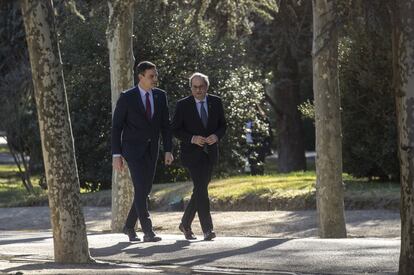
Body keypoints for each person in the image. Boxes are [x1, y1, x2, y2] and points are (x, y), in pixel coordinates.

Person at [111, 61, 173, 242]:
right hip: (132, 150)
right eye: (151, 76)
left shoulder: (161, 96)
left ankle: (129, 226)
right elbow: (116, 127)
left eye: (156, 75)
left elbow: (165, 126)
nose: (155, 79)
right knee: (140, 188)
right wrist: (117, 154)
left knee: (143, 190)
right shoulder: (127, 97)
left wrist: (168, 149)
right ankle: (148, 231)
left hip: (152, 150)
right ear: (141, 77)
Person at [171, 72, 226, 241]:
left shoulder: (216, 102)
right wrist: (192, 138)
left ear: (206, 87)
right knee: (201, 189)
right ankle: (207, 229)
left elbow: (223, 125)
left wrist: (216, 136)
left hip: (210, 153)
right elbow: (175, 129)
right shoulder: (183, 105)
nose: (198, 90)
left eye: (201, 87)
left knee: (200, 189)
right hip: (192, 154)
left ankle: (185, 223)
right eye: (195, 87)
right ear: (191, 88)